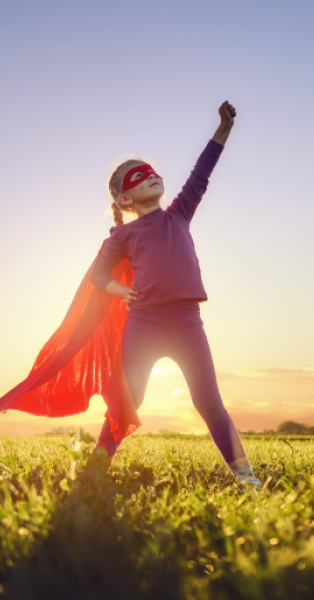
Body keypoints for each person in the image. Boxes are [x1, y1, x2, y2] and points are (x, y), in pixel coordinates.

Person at [90, 101, 260, 488]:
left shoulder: (180, 213)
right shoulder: (123, 235)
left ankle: (246, 476)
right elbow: (100, 274)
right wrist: (121, 290)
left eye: (151, 170)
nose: (150, 175)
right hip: (144, 324)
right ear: (124, 201)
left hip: (187, 324)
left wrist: (223, 129)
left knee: (210, 404)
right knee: (127, 404)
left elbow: (202, 173)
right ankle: (94, 473)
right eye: (138, 175)